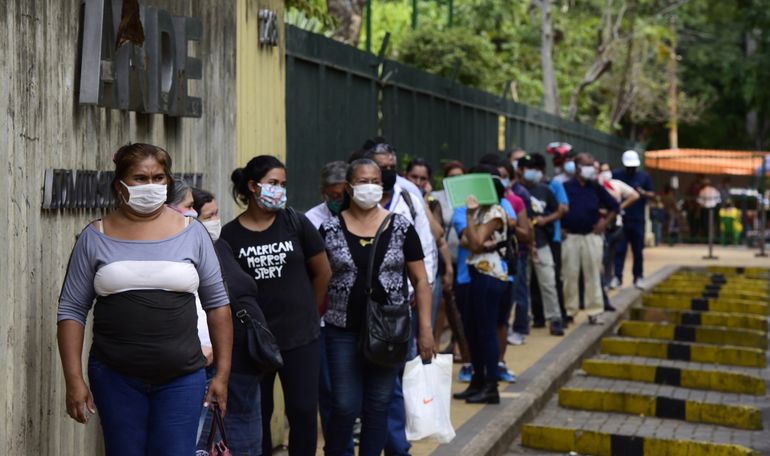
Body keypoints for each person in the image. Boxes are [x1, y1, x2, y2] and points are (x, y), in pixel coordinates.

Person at [57, 143, 232, 456]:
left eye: (159, 177)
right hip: (115, 377)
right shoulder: (94, 236)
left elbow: (218, 305)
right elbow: (71, 310)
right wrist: (74, 380)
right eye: (140, 178)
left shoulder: (193, 233)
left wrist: (222, 374)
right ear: (119, 185)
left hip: (182, 378)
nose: (151, 185)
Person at [320, 158, 435, 456]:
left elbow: (421, 281)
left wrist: (425, 329)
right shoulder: (329, 229)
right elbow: (317, 277)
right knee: (344, 406)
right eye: (362, 181)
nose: (369, 186)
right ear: (348, 187)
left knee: (378, 405)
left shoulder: (400, 226)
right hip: (341, 330)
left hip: (389, 331)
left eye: (375, 181)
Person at [221, 155, 332, 456]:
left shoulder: (296, 223)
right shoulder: (230, 235)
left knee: (303, 412)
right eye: (273, 184)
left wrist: (310, 310)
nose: (280, 190)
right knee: (258, 412)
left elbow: (323, 272)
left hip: (300, 337)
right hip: (254, 341)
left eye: (283, 184)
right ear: (253, 187)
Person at [193, 188, 264, 455]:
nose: (215, 221)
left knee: (245, 430)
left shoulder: (220, 245)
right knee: (211, 435)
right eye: (208, 215)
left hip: (243, 355)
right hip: (213, 357)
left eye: (216, 213)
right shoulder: (192, 254)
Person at [452, 166, 510, 404]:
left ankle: (491, 385)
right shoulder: (480, 213)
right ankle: (477, 381)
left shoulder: (495, 212)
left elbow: (473, 243)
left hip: (490, 276)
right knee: (473, 330)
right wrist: (474, 234)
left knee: (486, 331)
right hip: (477, 274)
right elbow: (465, 240)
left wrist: (469, 217)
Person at [561, 153, 619, 325]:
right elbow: (557, 208)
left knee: (593, 274)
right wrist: (561, 228)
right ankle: (569, 310)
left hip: (591, 236)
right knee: (569, 275)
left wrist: (604, 223)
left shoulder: (594, 187)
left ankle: (594, 311)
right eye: (587, 165)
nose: (591, 168)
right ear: (577, 167)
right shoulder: (565, 186)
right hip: (570, 236)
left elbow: (614, 206)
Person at [518, 153, 564, 336]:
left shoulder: (544, 190)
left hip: (542, 242)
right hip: (522, 245)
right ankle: (524, 320)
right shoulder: (517, 192)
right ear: (521, 170)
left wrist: (546, 220)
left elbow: (559, 210)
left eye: (536, 169)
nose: (534, 172)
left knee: (548, 282)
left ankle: (555, 319)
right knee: (524, 285)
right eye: (530, 168)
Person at [612, 150, 654, 287]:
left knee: (638, 250)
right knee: (620, 249)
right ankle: (617, 277)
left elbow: (652, 194)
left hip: (637, 219)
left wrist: (643, 192)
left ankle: (638, 276)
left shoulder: (644, 177)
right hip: (621, 219)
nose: (631, 169)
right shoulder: (617, 175)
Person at [598, 163, 639, 289]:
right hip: (600, 225)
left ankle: (609, 280)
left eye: (607, 170)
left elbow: (634, 195)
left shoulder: (616, 185)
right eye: (602, 170)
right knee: (602, 256)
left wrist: (618, 208)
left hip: (615, 225)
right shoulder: (596, 185)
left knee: (612, 254)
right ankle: (602, 281)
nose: (606, 173)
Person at [306, 161, 349, 229]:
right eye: (336, 196)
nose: (342, 199)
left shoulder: (364, 215)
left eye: (346, 194)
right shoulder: (312, 220)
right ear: (323, 192)